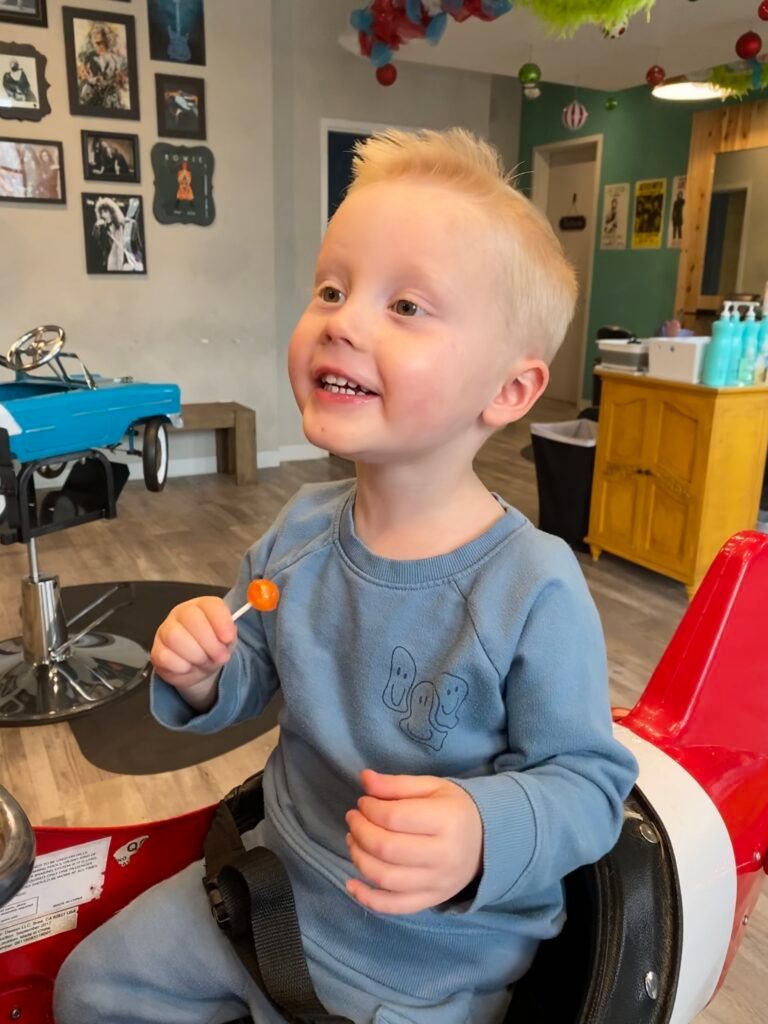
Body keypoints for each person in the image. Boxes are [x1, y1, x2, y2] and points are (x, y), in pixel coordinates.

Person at [54, 128, 638, 1024]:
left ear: (510, 392)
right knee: (90, 988)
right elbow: (252, 666)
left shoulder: (533, 587)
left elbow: (589, 786)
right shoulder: (298, 531)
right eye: (332, 288)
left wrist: (483, 830)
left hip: (424, 963)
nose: (343, 319)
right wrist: (207, 672)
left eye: (406, 306)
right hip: (268, 890)